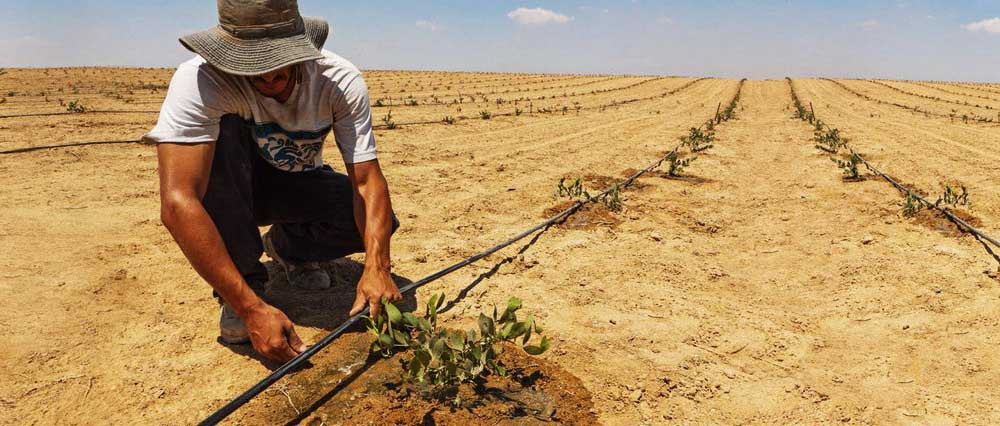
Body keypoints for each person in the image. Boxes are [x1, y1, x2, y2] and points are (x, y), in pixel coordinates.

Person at [143, 0, 402, 363]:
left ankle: (287, 249)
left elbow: (366, 181)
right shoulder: (201, 81)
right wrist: (249, 309)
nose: (267, 78)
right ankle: (245, 285)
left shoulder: (338, 80)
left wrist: (378, 266)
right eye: (252, 66)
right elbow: (178, 201)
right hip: (230, 188)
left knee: (382, 223)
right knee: (221, 138)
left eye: (279, 64)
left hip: (295, 181)